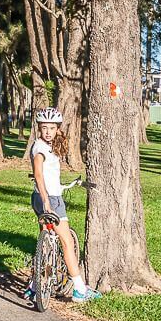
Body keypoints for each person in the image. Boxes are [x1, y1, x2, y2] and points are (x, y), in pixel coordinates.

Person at [24, 107, 101, 303]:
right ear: (39, 129)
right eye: (44, 128)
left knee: (46, 241)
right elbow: (39, 175)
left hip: (38, 198)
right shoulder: (40, 150)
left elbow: (47, 176)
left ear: (57, 128)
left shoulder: (43, 146)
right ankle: (79, 290)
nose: (48, 131)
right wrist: (48, 200)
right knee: (67, 242)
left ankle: (34, 287)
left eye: (52, 128)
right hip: (50, 199)